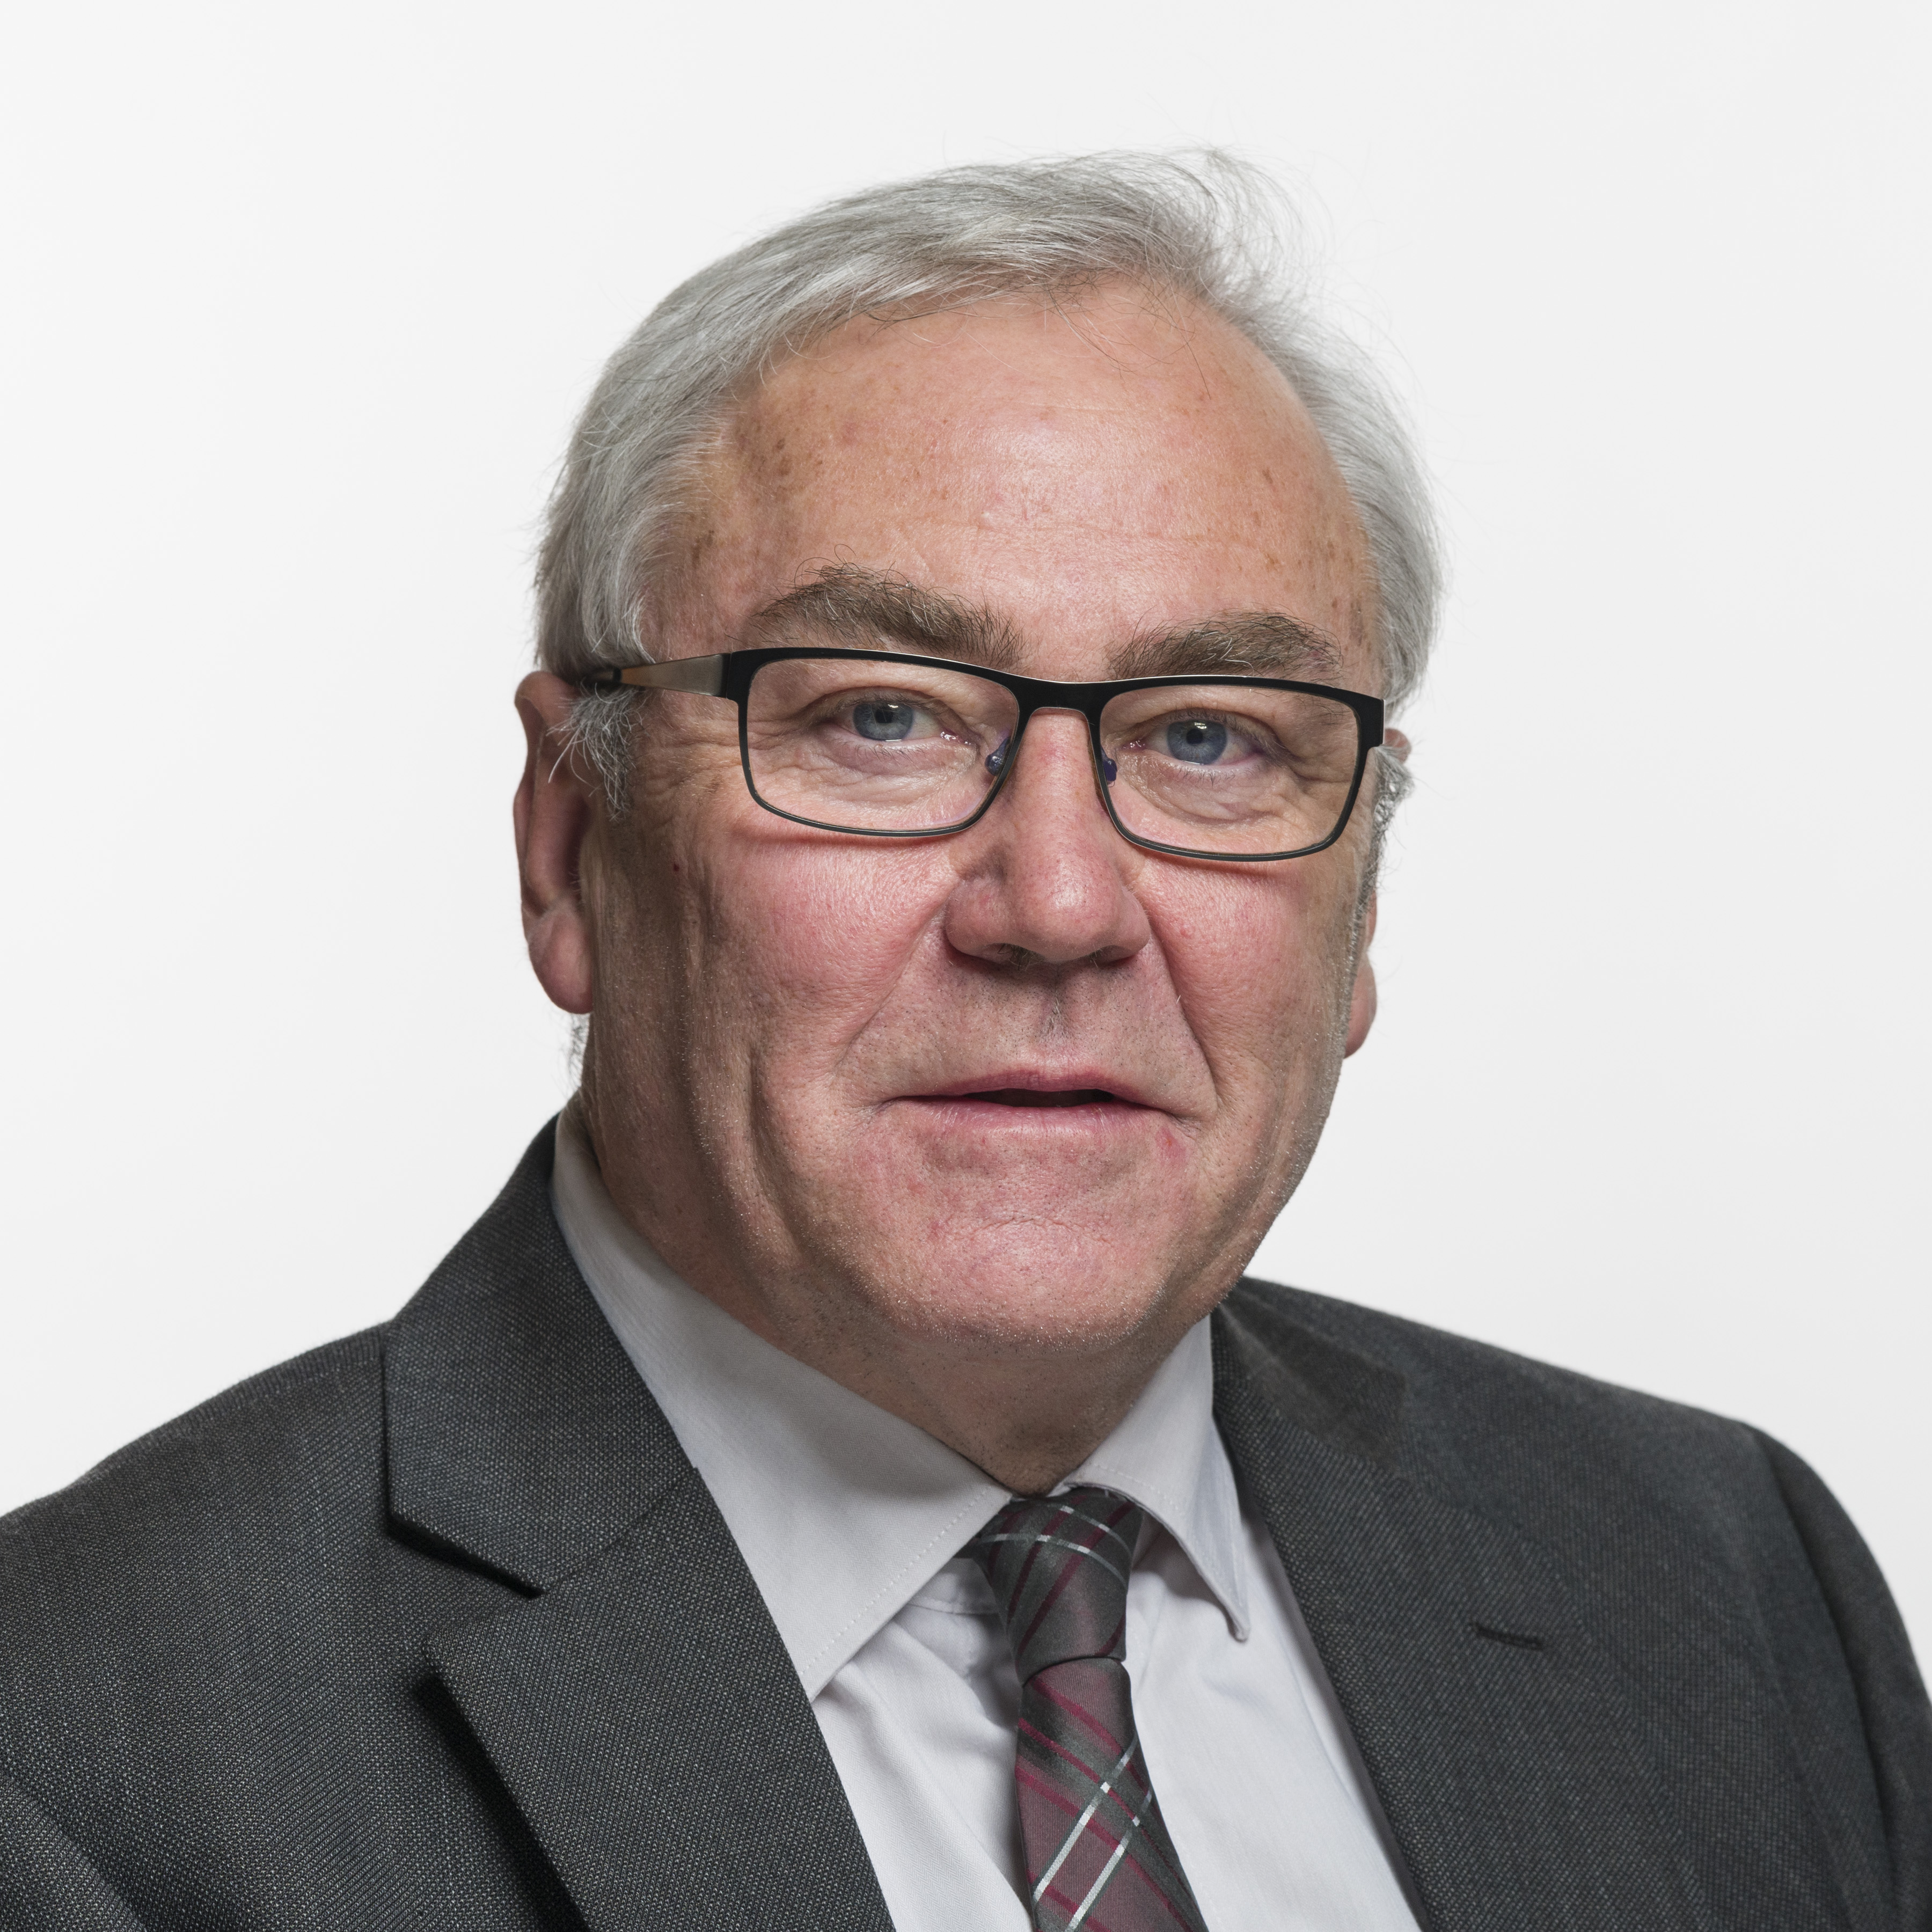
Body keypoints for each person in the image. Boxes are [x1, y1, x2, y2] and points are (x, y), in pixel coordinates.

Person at [1, 152, 1924, 1932]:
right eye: (883, 720)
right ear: (572, 844)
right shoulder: (78, 1757)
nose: (1061, 905)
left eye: (1211, 739)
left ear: (1358, 906)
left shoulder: (1723, 1586)